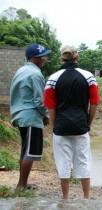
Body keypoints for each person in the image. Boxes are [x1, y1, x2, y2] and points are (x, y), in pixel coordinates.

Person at [44, 46, 100, 199]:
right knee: (83, 161)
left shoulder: (53, 79)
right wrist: (88, 123)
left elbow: (50, 106)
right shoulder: (89, 77)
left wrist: (55, 126)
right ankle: (86, 197)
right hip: (81, 127)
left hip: (61, 128)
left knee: (63, 163)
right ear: (77, 57)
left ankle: (65, 198)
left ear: (62, 59)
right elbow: (94, 103)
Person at [10, 43, 51, 190]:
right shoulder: (36, 74)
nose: (45, 59)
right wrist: (46, 116)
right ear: (35, 58)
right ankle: (21, 186)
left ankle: (22, 183)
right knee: (29, 153)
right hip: (31, 117)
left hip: (20, 115)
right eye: (43, 56)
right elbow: (39, 101)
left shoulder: (21, 70)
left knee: (25, 151)